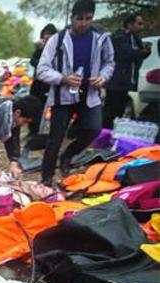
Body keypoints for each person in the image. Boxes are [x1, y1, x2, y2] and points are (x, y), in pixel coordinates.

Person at [36, 0, 114, 186]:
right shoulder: (58, 39)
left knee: (94, 129)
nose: (84, 23)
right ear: (72, 18)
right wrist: (63, 78)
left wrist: (103, 77)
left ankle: (68, 155)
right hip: (62, 96)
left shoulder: (101, 38)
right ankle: (46, 178)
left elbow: (110, 63)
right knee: (55, 138)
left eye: (88, 19)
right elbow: (42, 69)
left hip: (90, 94)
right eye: (80, 19)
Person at [103, 14, 152, 129]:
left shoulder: (136, 38)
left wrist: (144, 53)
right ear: (130, 24)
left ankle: (111, 134)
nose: (142, 27)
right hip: (116, 81)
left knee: (119, 111)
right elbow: (126, 53)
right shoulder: (120, 37)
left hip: (126, 82)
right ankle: (103, 134)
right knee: (111, 110)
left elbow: (136, 56)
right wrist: (142, 52)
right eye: (139, 24)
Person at [29, 24, 58, 134]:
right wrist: (40, 64)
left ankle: (39, 130)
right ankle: (32, 130)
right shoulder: (40, 50)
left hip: (48, 83)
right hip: (37, 82)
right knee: (32, 105)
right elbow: (32, 61)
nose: (46, 39)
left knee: (42, 107)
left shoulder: (56, 51)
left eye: (49, 37)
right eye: (45, 37)